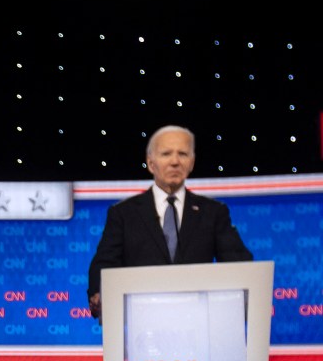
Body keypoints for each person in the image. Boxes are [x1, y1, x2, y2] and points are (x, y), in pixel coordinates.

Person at [86, 125, 252, 320]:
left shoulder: (213, 212)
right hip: (142, 321)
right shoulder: (123, 213)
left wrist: (248, 290)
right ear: (150, 163)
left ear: (192, 162)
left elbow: (238, 262)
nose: (175, 161)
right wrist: (99, 294)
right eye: (166, 154)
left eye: (182, 154)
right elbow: (105, 262)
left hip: (198, 321)